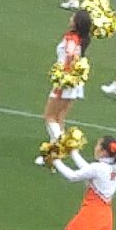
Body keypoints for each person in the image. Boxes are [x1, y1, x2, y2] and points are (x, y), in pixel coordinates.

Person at [40, 8, 96, 146]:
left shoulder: (71, 39)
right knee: (60, 117)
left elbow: (69, 58)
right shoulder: (82, 39)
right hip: (74, 81)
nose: (70, 18)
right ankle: (56, 150)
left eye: (73, 17)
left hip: (65, 81)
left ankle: (61, 145)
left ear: (77, 23)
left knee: (49, 116)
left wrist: (62, 81)